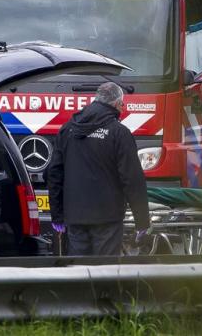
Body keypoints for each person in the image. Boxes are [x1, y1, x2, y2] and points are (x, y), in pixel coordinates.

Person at [46, 82, 150, 256]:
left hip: (75, 217)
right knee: (105, 274)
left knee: (79, 273)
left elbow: (54, 174)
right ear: (116, 104)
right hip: (108, 219)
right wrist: (142, 221)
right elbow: (132, 180)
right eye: (122, 105)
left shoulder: (68, 130)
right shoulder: (119, 133)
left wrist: (57, 215)